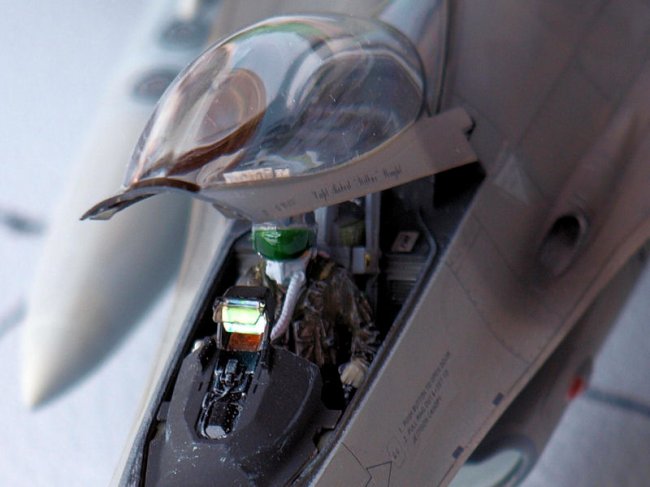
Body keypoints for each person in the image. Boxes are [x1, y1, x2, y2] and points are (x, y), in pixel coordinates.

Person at [239, 212, 379, 394]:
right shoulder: (254, 282)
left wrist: (361, 363)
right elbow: (233, 327)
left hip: (320, 388)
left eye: (291, 243)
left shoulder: (332, 282)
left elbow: (366, 329)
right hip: (267, 386)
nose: (281, 266)